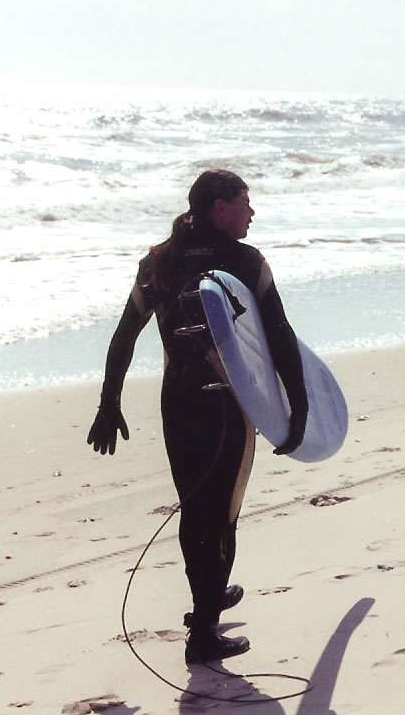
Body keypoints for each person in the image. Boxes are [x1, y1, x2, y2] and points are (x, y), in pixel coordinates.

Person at [86, 169, 308, 664]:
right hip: (228, 403)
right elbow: (280, 336)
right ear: (218, 207)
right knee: (223, 513)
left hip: (179, 400)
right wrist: (300, 409)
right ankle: (204, 631)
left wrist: (109, 403)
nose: (252, 212)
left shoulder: (160, 261)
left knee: (194, 508)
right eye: (244, 202)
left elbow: (125, 336)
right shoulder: (244, 261)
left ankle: (208, 595)